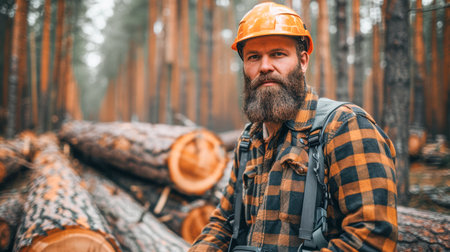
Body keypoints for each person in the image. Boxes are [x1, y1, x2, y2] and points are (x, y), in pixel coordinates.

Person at [190, 2, 397, 251]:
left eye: (278, 54)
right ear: (245, 66)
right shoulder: (249, 141)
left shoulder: (344, 127)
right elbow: (223, 224)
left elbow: (371, 237)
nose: (264, 66)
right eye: (253, 57)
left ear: (303, 60)